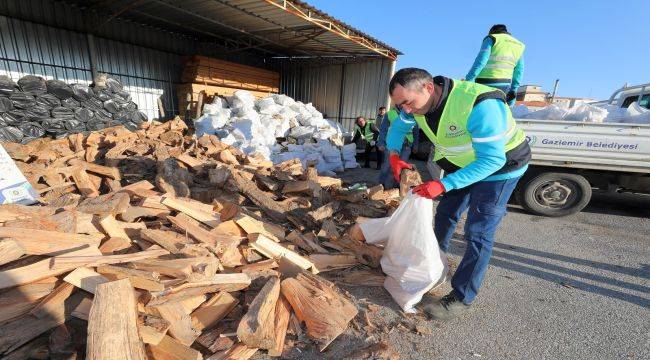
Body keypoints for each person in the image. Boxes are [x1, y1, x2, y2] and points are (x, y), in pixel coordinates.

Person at [386, 68, 531, 321]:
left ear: (428, 88)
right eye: (400, 105)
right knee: (445, 215)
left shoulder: (479, 104)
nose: (406, 110)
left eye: (408, 103)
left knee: (478, 232)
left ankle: (462, 297)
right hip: (462, 167)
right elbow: (398, 128)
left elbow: (492, 160)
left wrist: (443, 185)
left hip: (499, 168)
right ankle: (432, 266)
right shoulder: (414, 107)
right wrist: (395, 155)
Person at [465, 24, 525, 106]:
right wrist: (513, 90)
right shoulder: (519, 45)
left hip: (485, 83)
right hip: (505, 86)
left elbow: (481, 61)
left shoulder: (492, 38)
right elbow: (519, 70)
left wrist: (469, 80)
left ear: (492, 32)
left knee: (480, 109)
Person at [377, 108, 419, 189]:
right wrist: (381, 143)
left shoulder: (413, 114)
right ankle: (381, 185)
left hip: (406, 144)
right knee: (387, 165)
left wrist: (415, 145)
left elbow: (416, 131)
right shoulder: (389, 114)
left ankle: (396, 186)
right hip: (392, 144)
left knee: (401, 167)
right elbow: (383, 129)